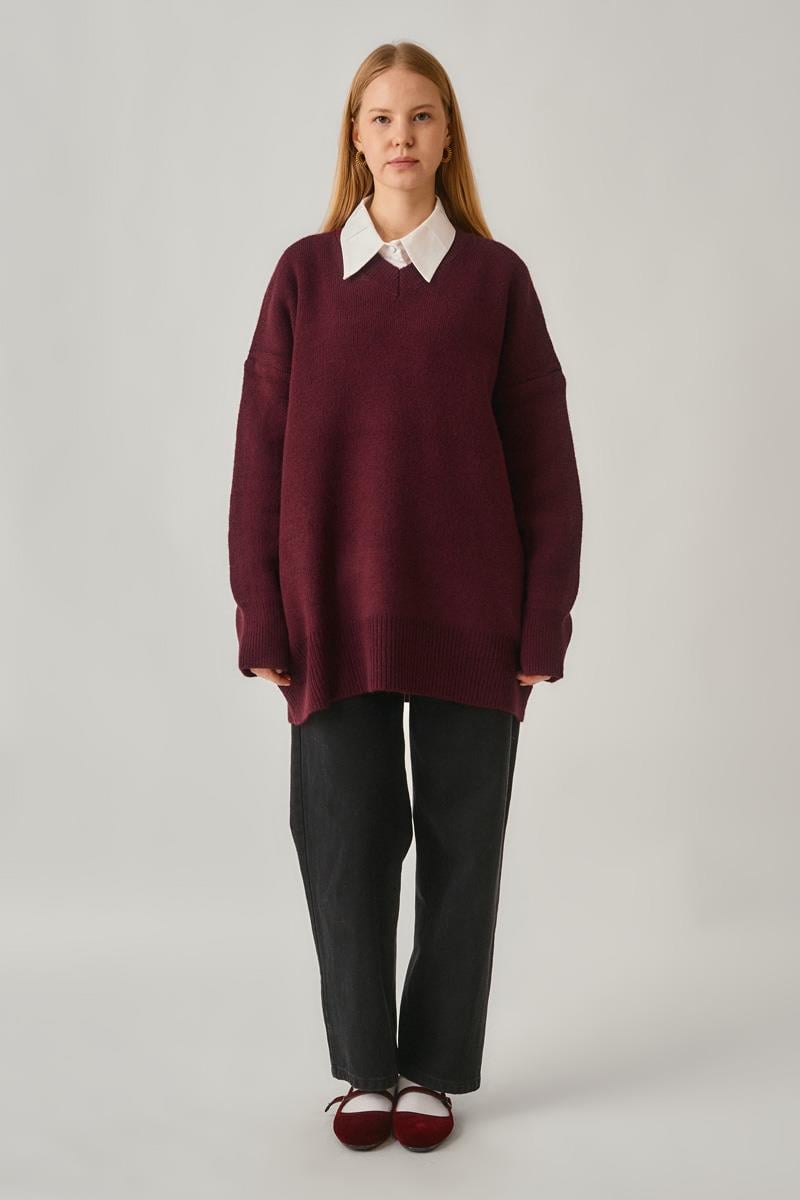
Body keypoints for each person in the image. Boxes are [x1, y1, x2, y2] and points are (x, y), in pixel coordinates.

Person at [227, 41, 583, 1152]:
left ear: (446, 135)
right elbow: (259, 452)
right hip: (329, 615)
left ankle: (432, 1068)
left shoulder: (494, 280)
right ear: (354, 136)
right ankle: (364, 1070)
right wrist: (259, 610)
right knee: (342, 840)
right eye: (380, 117)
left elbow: (546, 462)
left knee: (463, 846)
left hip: (476, 615)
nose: (400, 136)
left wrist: (543, 619)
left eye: (421, 116)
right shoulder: (302, 278)